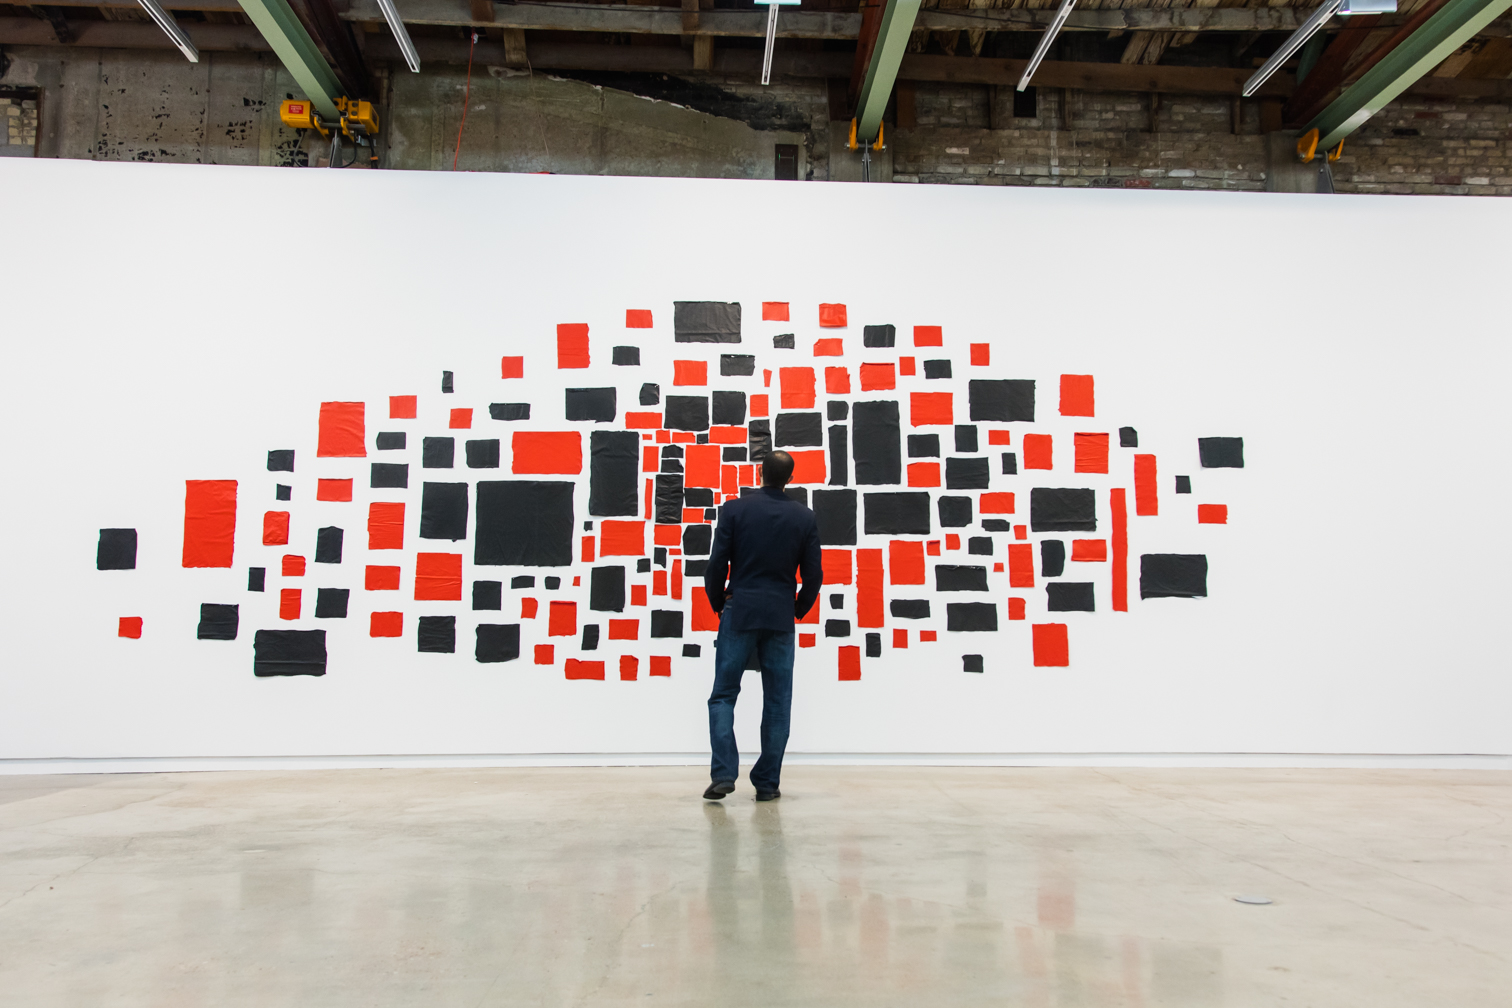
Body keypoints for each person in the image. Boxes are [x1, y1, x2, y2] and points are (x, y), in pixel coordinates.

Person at [701, 449, 823, 802]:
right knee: (778, 701)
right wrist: (797, 609)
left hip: (739, 611)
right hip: (780, 617)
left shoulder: (735, 509)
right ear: (791, 478)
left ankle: (724, 773)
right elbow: (813, 574)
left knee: (723, 695)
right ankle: (767, 782)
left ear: (760, 472)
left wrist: (717, 603)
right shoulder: (804, 517)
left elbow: (716, 565)